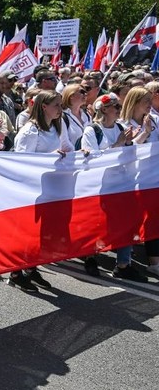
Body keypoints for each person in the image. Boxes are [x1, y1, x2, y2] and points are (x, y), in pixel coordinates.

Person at [9, 91, 73, 292]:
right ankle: (15, 272)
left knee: (41, 233)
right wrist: (50, 157)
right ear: (43, 106)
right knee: (26, 232)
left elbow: (67, 146)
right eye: (56, 104)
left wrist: (80, 154)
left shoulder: (57, 125)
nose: (59, 109)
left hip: (49, 188)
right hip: (31, 190)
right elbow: (22, 161)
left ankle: (31, 267)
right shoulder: (30, 131)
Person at [79, 93, 139, 279]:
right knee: (97, 225)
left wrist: (129, 142)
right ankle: (90, 258)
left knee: (125, 222)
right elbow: (93, 159)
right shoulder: (92, 130)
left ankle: (123, 263)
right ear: (104, 109)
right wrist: (119, 143)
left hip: (121, 184)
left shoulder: (120, 127)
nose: (120, 110)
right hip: (100, 186)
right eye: (117, 107)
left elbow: (129, 154)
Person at [60, 84, 92, 148]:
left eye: (86, 92)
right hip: (73, 156)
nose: (86, 94)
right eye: (82, 92)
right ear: (71, 95)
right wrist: (80, 153)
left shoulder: (87, 115)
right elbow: (63, 143)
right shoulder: (62, 117)